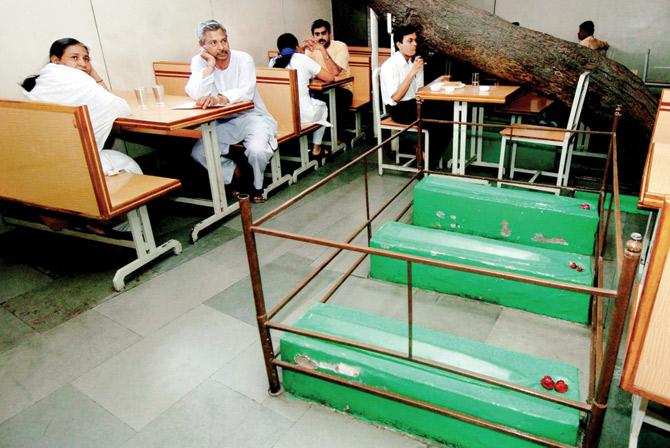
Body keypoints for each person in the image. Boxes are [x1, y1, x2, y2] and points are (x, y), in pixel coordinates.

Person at [186, 19, 277, 203]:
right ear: (201, 46)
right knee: (199, 153)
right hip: (221, 121)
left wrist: (219, 99)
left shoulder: (243, 59)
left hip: (252, 116)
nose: (221, 47)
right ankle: (233, 173)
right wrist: (210, 65)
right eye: (213, 42)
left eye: (224, 40)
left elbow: (246, 93)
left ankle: (257, 186)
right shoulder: (199, 62)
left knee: (257, 151)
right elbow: (195, 92)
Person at [22, 38, 142, 176]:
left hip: (46, 160)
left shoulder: (43, 81)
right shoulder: (72, 79)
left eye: (86, 59)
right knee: (124, 163)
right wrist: (90, 73)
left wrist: (88, 71)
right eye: (74, 57)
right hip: (77, 163)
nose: (82, 63)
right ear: (56, 60)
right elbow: (118, 106)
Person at [270, 33, 334, 159]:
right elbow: (330, 78)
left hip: (280, 116)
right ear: (296, 46)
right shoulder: (302, 59)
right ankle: (316, 148)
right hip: (302, 115)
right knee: (323, 107)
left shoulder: (273, 62)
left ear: (279, 49)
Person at [304, 18, 352, 153]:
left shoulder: (341, 46)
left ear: (329, 34)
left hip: (342, 88)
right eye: (317, 34)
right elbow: (307, 73)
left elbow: (335, 72)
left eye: (323, 33)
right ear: (313, 36)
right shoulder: (310, 50)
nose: (321, 37)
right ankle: (315, 140)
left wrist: (322, 50)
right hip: (321, 88)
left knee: (335, 99)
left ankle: (336, 136)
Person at [379, 25, 424, 124]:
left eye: (415, 40)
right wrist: (412, 72)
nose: (415, 44)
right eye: (410, 41)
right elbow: (396, 97)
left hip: (412, 104)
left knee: (443, 108)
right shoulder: (390, 65)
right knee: (439, 115)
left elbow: (419, 91)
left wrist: (419, 71)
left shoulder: (409, 63)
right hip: (399, 110)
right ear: (399, 45)